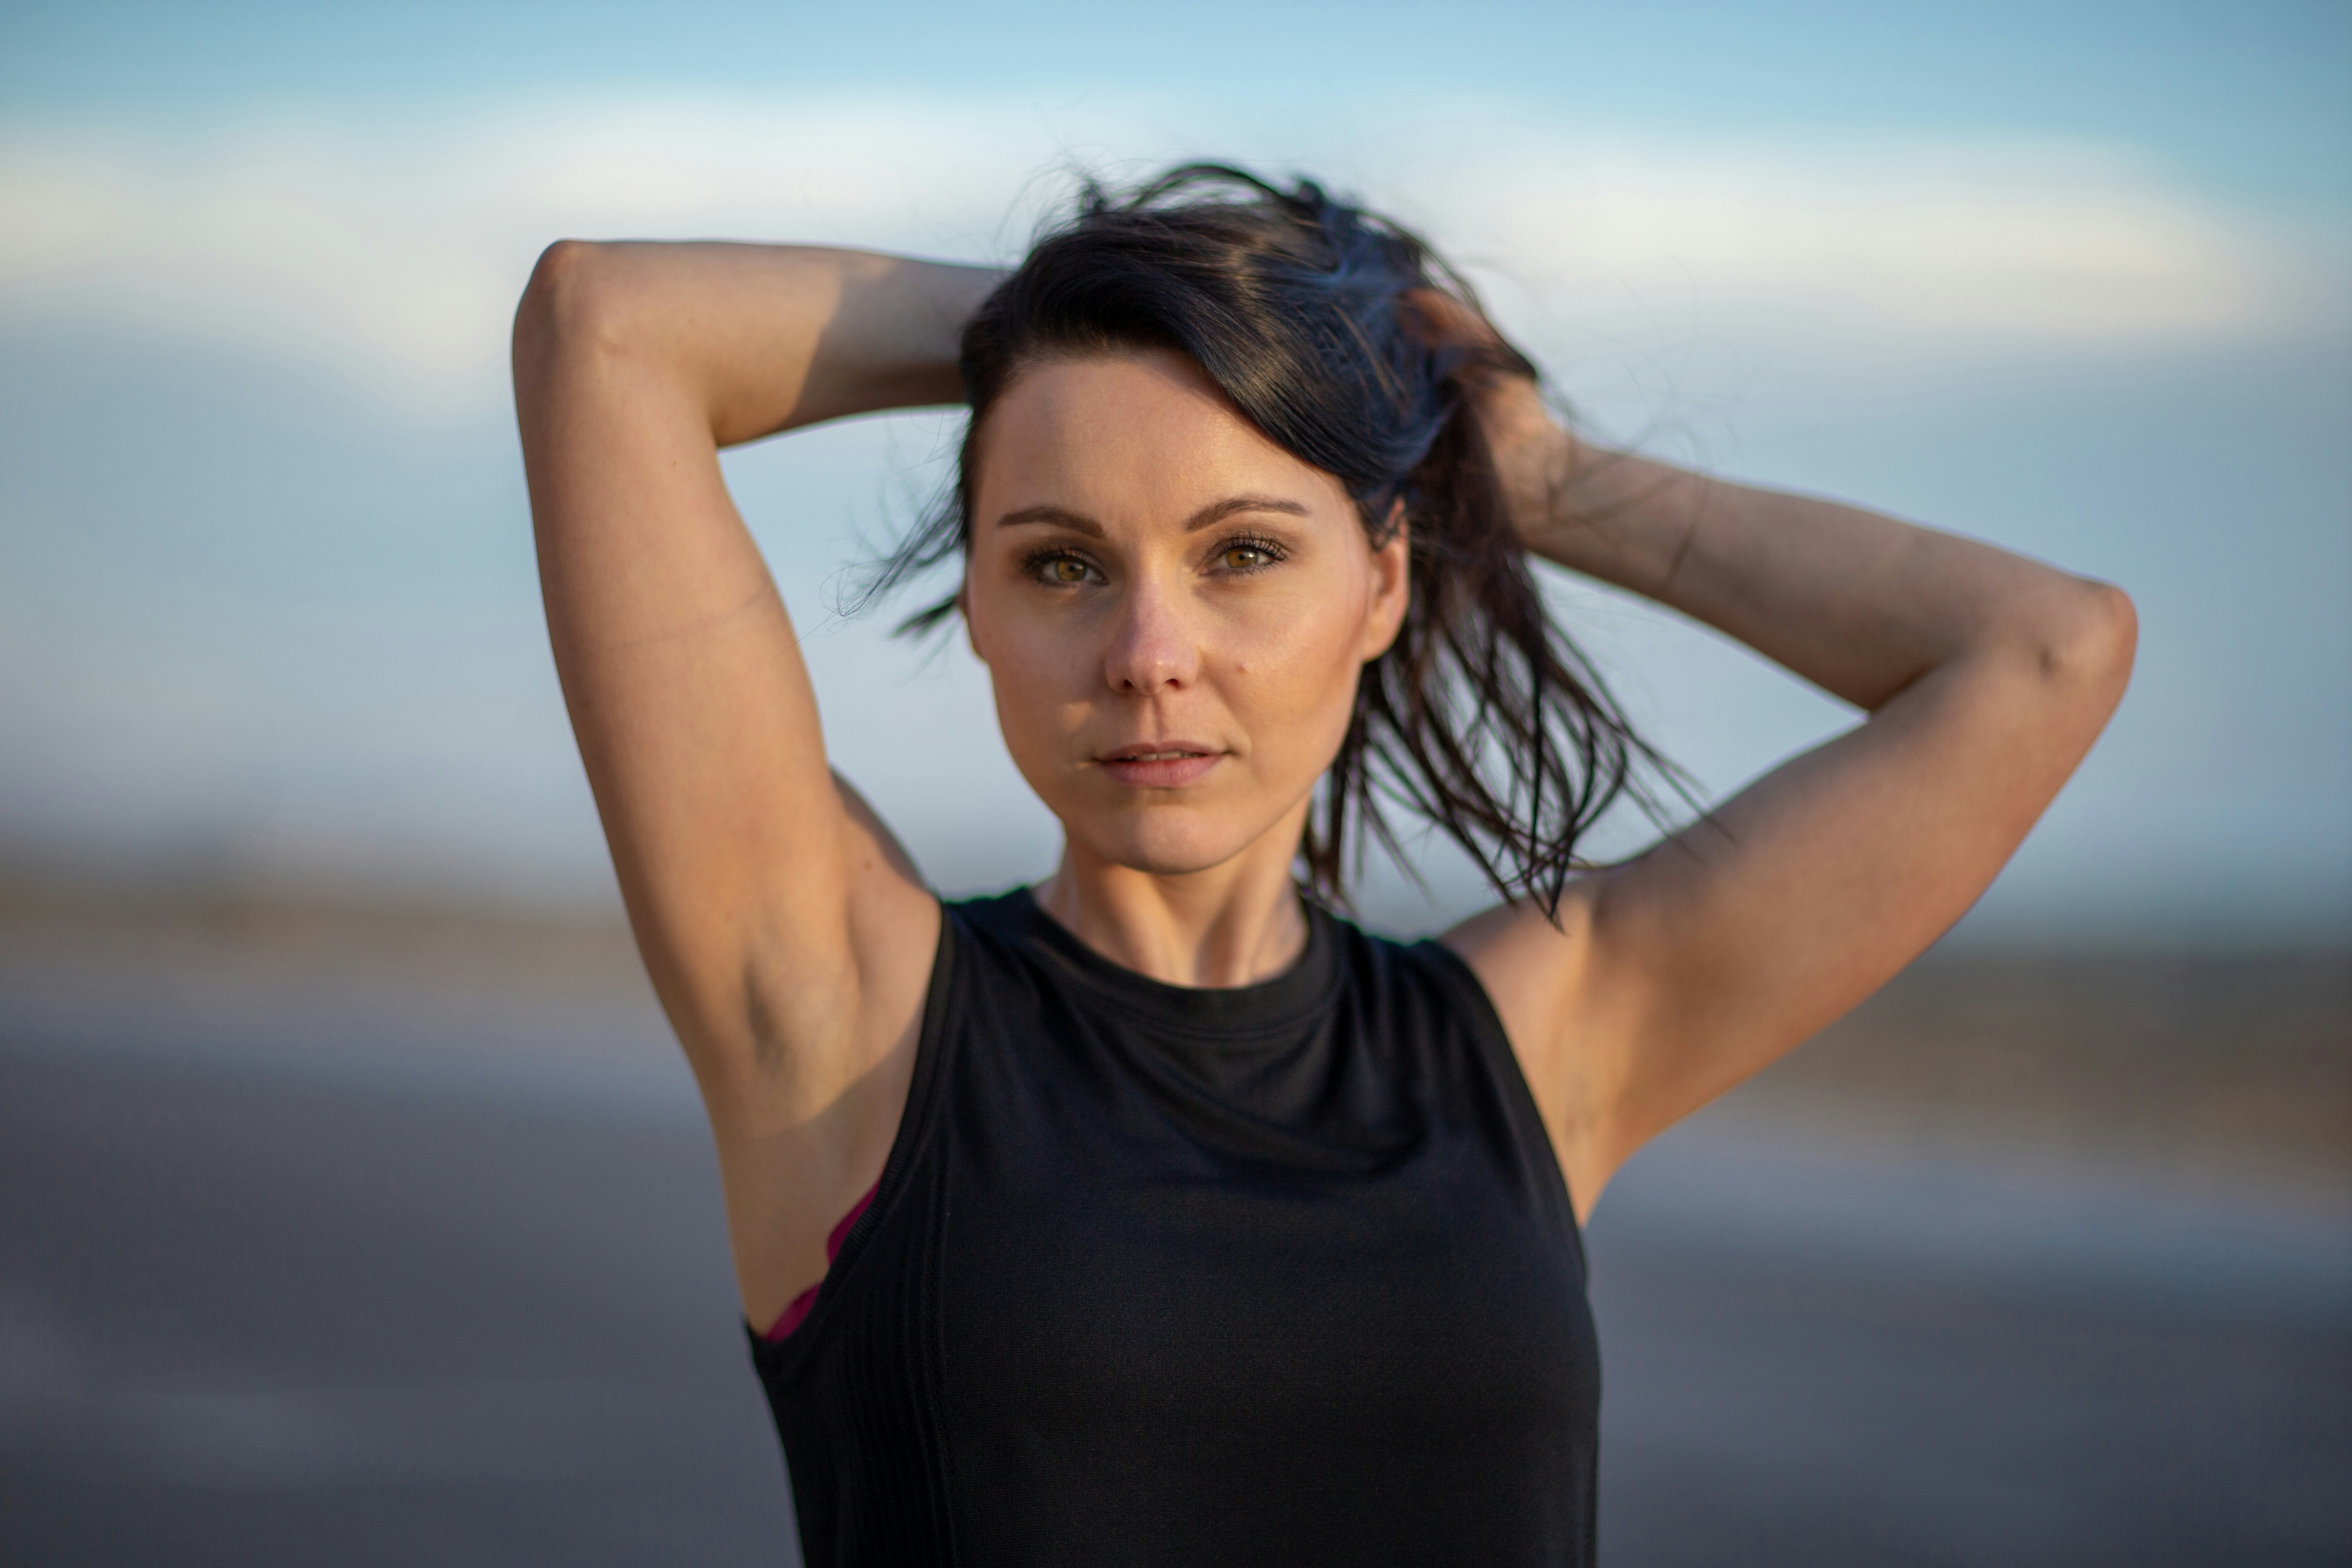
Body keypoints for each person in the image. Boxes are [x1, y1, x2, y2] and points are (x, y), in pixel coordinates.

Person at [510, 165, 2134, 1565]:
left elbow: (2046, 652)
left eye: (1245, 554)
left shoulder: (1536, 1046)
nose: (1151, 652)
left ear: (1380, 583)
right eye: (1063, 561)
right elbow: (608, 329)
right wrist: (1094, 321)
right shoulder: (846, 1023)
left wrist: (1525, 464)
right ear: (985, 614)